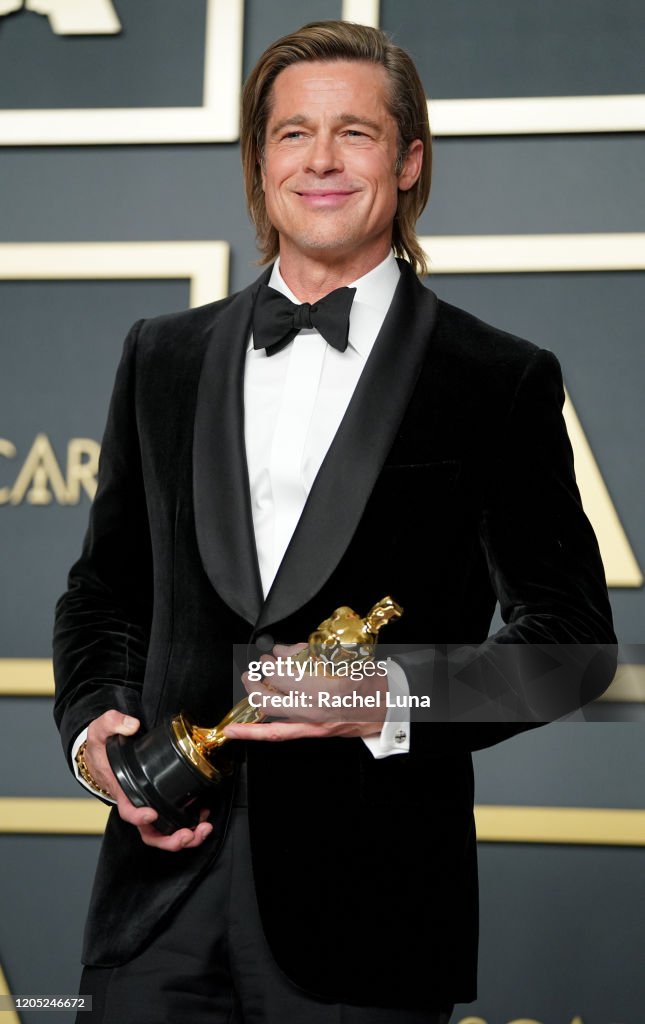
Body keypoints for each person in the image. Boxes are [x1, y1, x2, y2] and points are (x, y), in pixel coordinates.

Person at [53, 19, 616, 1024]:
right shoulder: (162, 355)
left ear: (407, 162)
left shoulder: (498, 378)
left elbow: (572, 644)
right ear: (258, 162)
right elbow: (105, 593)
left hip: (376, 920)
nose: (319, 160)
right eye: (291, 134)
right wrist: (93, 731)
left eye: (354, 133)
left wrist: (387, 695)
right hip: (154, 910)